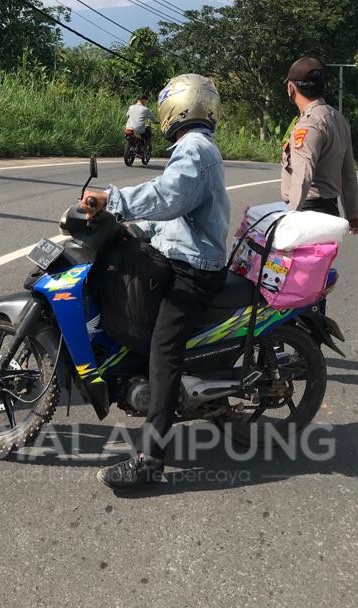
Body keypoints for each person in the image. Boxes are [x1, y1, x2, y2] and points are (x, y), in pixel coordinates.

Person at [83, 74, 230, 490]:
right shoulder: (193, 147)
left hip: (194, 269)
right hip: (183, 255)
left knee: (165, 353)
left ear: (176, 110)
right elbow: (175, 212)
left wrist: (113, 200)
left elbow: (168, 196)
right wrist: (132, 226)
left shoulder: (195, 150)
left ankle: (150, 460)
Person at [281, 57, 358, 234]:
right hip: (330, 212)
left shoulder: (308, 125)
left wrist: (287, 218)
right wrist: (353, 214)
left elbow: (303, 175)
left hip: (306, 215)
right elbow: (348, 173)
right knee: (322, 262)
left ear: (290, 87)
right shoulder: (338, 119)